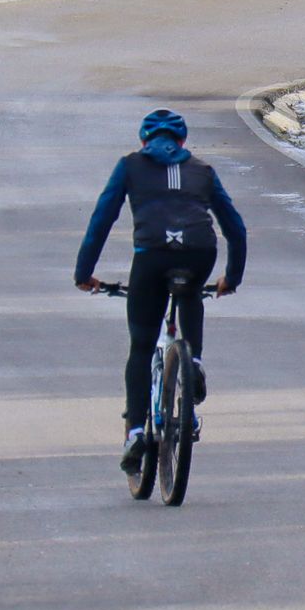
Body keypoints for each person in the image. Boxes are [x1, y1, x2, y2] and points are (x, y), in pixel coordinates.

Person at [74, 108, 248, 474]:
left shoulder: (130, 166)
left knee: (141, 347)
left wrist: (84, 272)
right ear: (183, 142)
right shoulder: (202, 170)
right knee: (190, 293)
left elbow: (102, 218)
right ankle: (194, 361)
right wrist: (231, 277)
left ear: (143, 140)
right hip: (200, 252)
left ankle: (136, 430)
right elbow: (235, 227)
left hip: (151, 256)